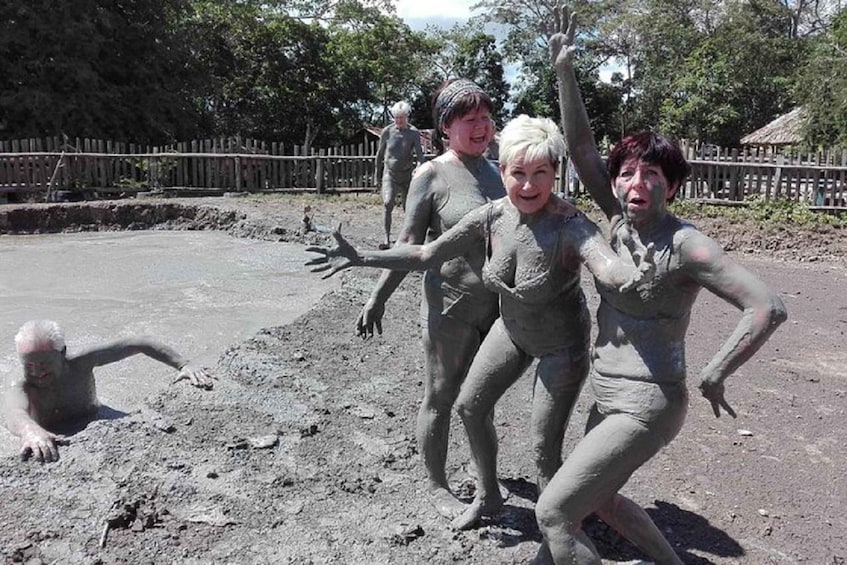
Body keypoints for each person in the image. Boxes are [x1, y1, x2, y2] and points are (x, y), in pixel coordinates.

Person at [308, 114, 657, 530]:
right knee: (470, 408)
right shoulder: (493, 214)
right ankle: (488, 494)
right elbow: (426, 254)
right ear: (504, 170)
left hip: (559, 346)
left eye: (540, 174)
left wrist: (633, 273)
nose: (528, 186)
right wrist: (361, 257)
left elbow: (604, 264)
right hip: (511, 331)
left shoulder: (571, 223)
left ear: (555, 173)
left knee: (544, 449)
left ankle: (561, 530)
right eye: (518, 173)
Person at [533, 9, 788, 564]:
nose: (636, 181)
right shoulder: (619, 222)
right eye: (627, 172)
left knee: (554, 512)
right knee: (598, 500)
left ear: (670, 185)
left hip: (648, 401)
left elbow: (767, 304)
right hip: (605, 391)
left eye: (652, 174)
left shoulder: (686, 245)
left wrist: (716, 372)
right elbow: (579, 149)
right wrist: (565, 73)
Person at [356, 79, 505, 519]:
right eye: (469, 120)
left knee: (481, 403)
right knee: (441, 397)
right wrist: (377, 296)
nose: (481, 127)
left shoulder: (498, 171)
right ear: (445, 127)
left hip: (494, 312)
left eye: (485, 118)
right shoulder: (432, 175)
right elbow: (410, 243)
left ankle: (486, 482)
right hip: (450, 308)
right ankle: (438, 485)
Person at [3, 319, 214, 463]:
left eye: (45, 364)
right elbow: (14, 413)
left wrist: (184, 365)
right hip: (47, 431)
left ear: (62, 353)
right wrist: (30, 431)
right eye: (29, 365)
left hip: (96, 417)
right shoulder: (19, 381)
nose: (37, 372)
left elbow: (139, 342)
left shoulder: (80, 362)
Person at [374, 100, 426, 249]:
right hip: (390, 174)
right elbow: (379, 154)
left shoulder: (413, 133)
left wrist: (420, 168)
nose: (399, 120)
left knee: (408, 207)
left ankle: (407, 238)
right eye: (396, 117)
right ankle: (386, 238)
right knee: (387, 202)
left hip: (407, 175)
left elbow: (420, 155)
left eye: (401, 117)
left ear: (407, 116)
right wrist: (376, 175)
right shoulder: (387, 131)